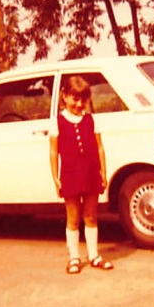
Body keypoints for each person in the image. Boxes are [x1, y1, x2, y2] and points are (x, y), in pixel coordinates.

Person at [50, 75, 114, 274]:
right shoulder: (58, 121)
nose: (79, 104)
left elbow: (100, 147)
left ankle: (94, 255)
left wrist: (103, 172)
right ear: (64, 97)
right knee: (73, 218)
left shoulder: (91, 119)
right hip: (70, 175)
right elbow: (53, 151)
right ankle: (74, 257)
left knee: (91, 216)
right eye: (74, 99)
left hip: (91, 173)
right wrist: (55, 177)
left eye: (83, 100)